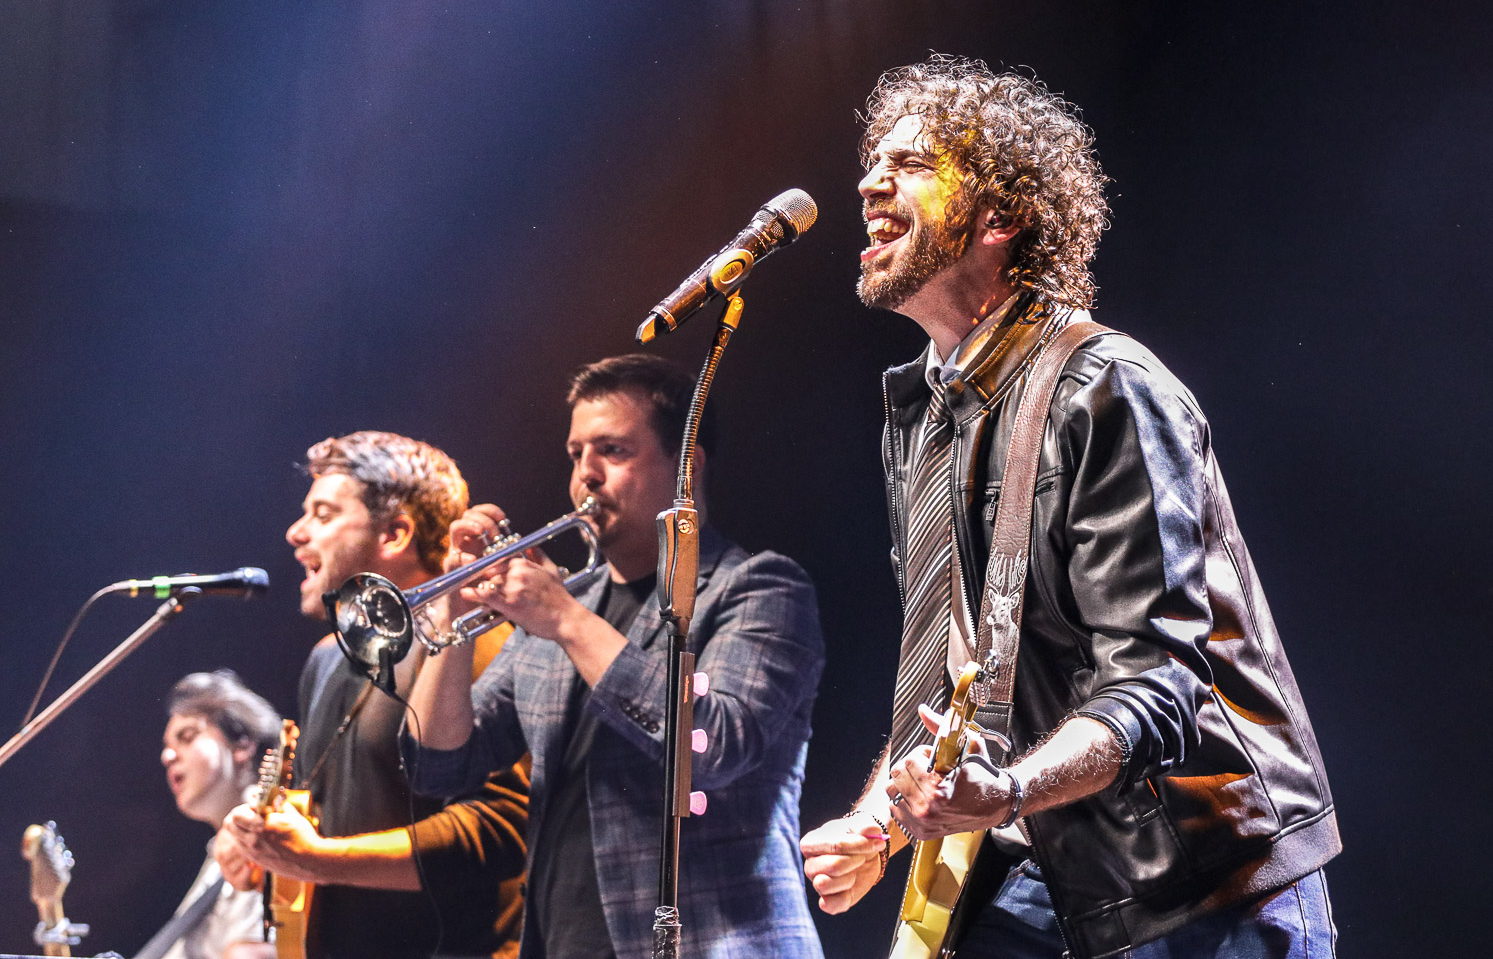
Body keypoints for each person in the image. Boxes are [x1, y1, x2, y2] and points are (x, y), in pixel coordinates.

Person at [800, 56, 1340, 959]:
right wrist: (881, 821)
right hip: (1045, 866)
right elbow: (955, 668)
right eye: (873, 162)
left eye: (912, 163)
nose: (869, 183)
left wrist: (1006, 793)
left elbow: (1155, 681)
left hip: (1193, 884)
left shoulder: (1108, 389)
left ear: (999, 217)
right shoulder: (927, 415)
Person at [402, 354, 826, 959]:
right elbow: (438, 767)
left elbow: (713, 747)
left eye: (613, 451)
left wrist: (567, 621)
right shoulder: (563, 607)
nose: (586, 475)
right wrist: (452, 612)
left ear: (686, 467)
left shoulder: (759, 588)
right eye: (576, 454)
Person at [217, 431, 527, 959]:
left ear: (396, 533)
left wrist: (318, 860)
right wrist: (261, 846)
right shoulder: (326, 658)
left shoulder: (472, 641)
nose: (296, 532)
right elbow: (322, 821)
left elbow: (498, 830)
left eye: (324, 514)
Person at [154, 670, 280, 959]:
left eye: (187, 737)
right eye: (167, 746)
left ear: (242, 743)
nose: (167, 756)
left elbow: (261, 953)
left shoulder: (270, 832)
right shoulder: (217, 856)